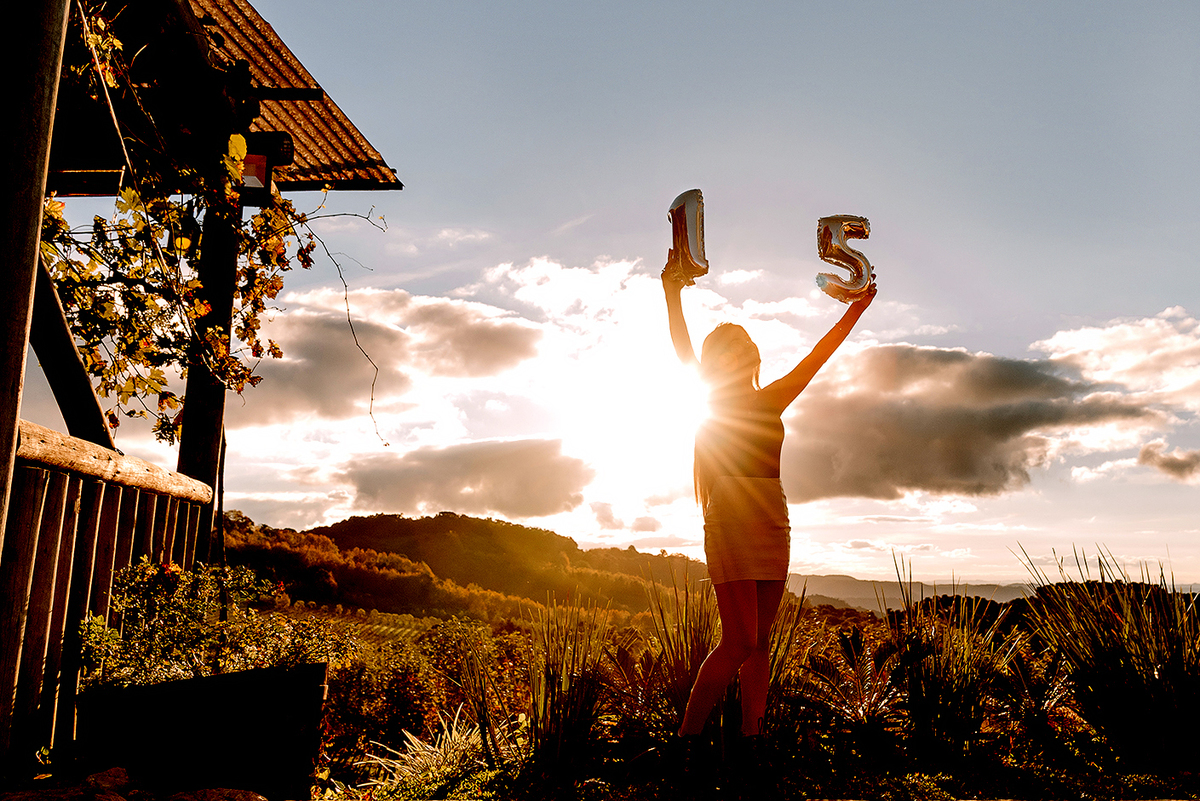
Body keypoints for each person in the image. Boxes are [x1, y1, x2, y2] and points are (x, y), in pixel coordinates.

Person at [661, 255, 876, 742]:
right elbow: (681, 345)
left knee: (760, 645)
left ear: (754, 358)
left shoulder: (771, 399)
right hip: (732, 519)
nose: (735, 356)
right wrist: (671, 292)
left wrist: (856, 310)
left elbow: (819, 356)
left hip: (771, 518)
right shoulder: (710, 402)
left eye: (742, 348)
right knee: (738, 641)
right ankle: (686, 743)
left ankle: (752, 743)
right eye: (725, 351)